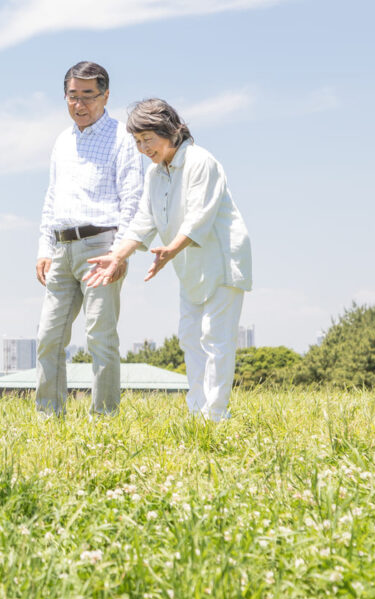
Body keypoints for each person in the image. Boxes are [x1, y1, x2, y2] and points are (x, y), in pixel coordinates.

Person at [84, 98, 252, 421]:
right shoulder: (155, 175)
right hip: (190, 267)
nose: (143, 148)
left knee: (216, 338)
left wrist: (171, 249)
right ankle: (197, 412)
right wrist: (116, 255)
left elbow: (199, 217)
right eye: (137, 142)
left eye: (148, 139)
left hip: (223, 260)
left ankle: (215, 416)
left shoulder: (201, 162)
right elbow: (143, 221)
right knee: (190, 336)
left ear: (169, 130)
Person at [34, 62, 144, 417]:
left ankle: (105, 418)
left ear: (105, 95)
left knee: (100, 336)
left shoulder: (123, 137)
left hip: (102, 246)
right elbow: (52, 198)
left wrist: (120, 252)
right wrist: (44, 247)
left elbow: (132, 196)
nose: (79, 104)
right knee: (49, 337)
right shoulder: (62, 141)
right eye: (72, 96)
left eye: (88, 96)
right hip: (61, 249)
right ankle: (48, 417)